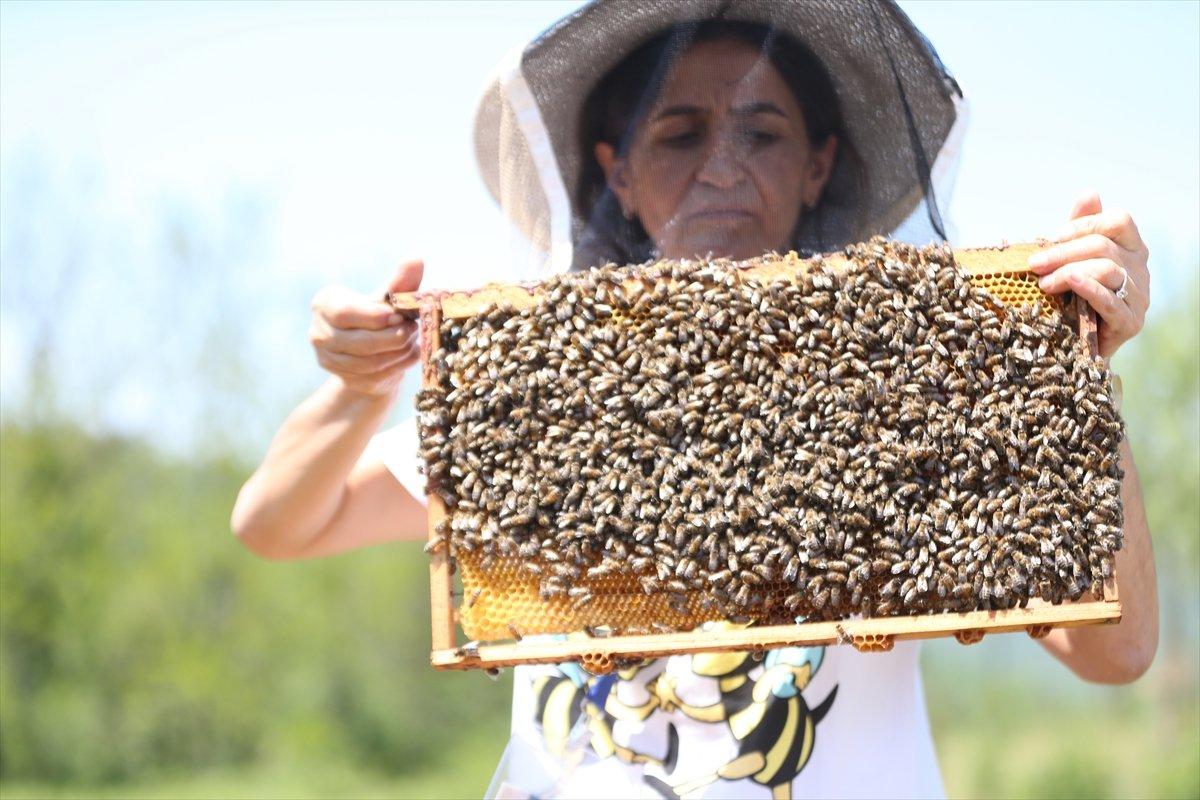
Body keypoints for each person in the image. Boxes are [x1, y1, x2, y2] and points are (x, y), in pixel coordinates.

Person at [231, 2, 1158, 797]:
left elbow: (1117, 654)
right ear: (618, 171)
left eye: (762, 132)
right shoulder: (541, 388)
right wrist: (360, 389)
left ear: (818, 166)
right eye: (679, 134)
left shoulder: (911, 383)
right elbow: (278, 523)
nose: (722, 166)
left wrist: (1072, 367)